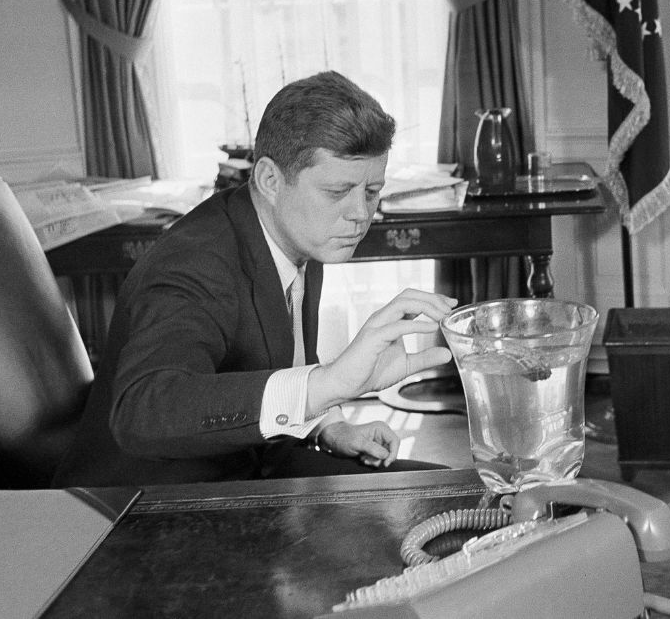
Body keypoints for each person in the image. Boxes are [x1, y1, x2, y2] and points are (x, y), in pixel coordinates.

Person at [54, 71, 457, 487]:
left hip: (253, 465)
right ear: (270, 180)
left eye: (371, 191)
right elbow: (144, 411)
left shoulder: (299, 227)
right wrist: (329, 384)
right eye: (338, 192)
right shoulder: (194, 263)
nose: (360, 214)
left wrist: (328, 424)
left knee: (444, 489)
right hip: (146, 500)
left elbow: (277, 357)